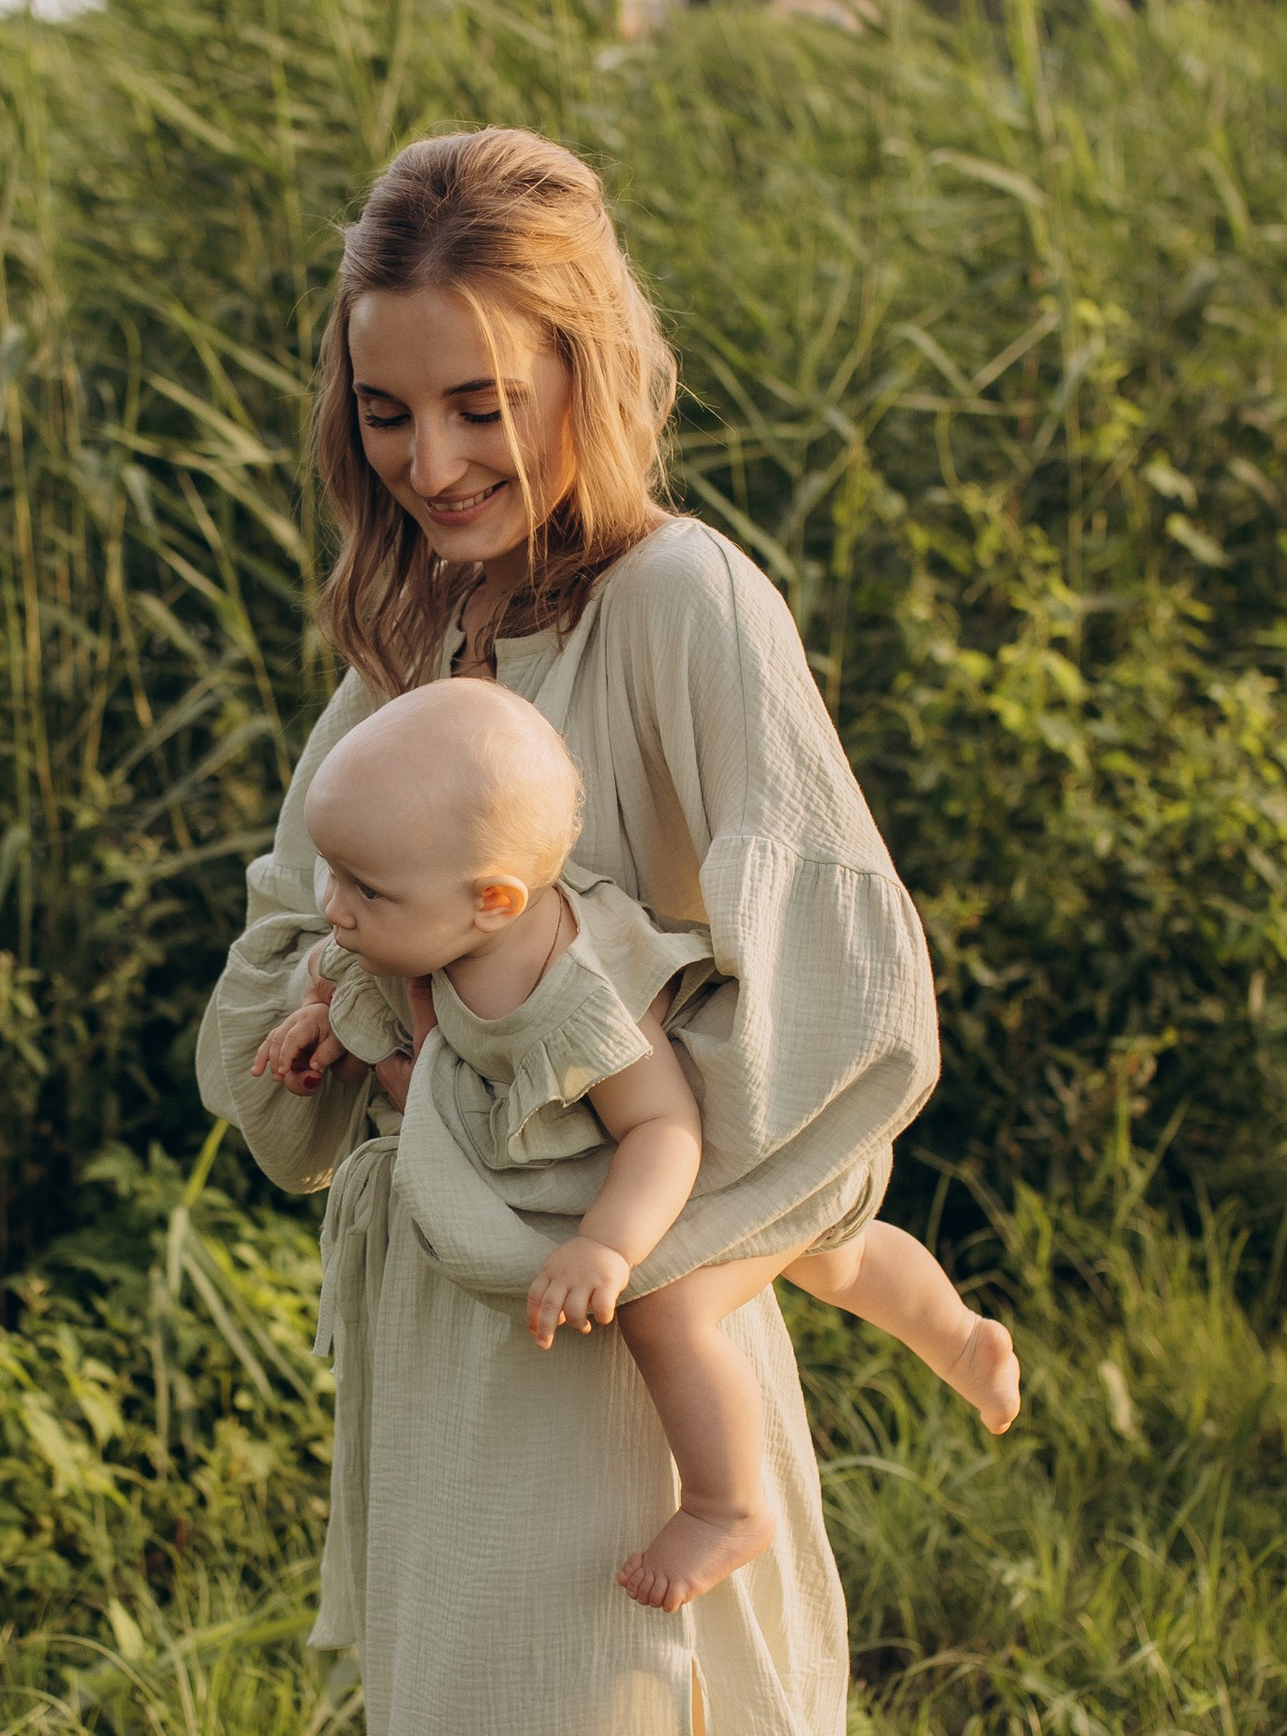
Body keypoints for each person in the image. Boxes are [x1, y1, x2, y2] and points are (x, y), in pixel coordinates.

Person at [18, 126, 1063, 1736]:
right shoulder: (397, 664)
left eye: (479, 402)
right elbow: (262, 1020)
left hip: (614, 1360)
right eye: (386, 415)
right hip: (440, 1367)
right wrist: (326, 1039)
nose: (436, 462)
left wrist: (644, 1237)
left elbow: (845, 999)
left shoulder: (680, 603)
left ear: (583, 366)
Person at [249, 674, 1021, 1616]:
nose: (336, 906)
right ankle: (964, 1342)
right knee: (838, 1258)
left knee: (677, 1307)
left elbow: (664, 1131)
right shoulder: (417, 915)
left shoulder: (574, 1000)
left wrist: (604, 1247)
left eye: (364, 888)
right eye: (334, 874)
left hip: (723, 1146)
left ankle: (728, 1506)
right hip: (657, 1148)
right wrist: (318, 1022)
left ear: (491, 901)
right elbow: (355, 970)